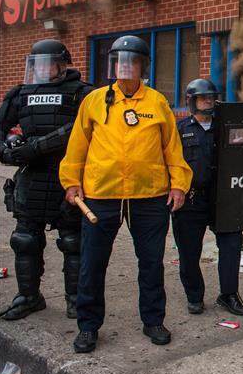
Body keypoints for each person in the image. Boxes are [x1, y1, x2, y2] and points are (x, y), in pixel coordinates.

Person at [59, 35, 192, 353]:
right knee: (92, 264)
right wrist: (71, 181)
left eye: (131, 62)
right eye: (119, 61)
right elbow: (78, 145)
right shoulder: (94, 101)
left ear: (142, 66)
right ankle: (88, 326)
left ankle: (153, 320)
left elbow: (172, 148)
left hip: (149, 198)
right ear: (113, 65)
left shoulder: (157, 102)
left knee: (151, 264)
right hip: (100, 196)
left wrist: (178, 185)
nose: (124, 67)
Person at [0, 39, 94, 321]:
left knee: (73, 241)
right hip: (31, 177)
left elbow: (85, 129)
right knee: (25, 239)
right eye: (37, 64)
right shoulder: (21, 94)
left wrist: (36, 147)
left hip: (69, 176)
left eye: (48, 63)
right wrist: (6, 149)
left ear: (63, 64)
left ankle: (76, 299)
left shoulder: (83, 94)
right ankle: (29, 296)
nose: (42, 69)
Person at [172, 79, 243, 316]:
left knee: (231, 246)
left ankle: (229, 294)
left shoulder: (227, 128)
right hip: (190, 200)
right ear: (190, 101)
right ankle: (194, 296)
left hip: (223, 198)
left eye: (211, 97)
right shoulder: (179, 130)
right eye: (203, 97)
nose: (208, 101)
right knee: (189, 251)